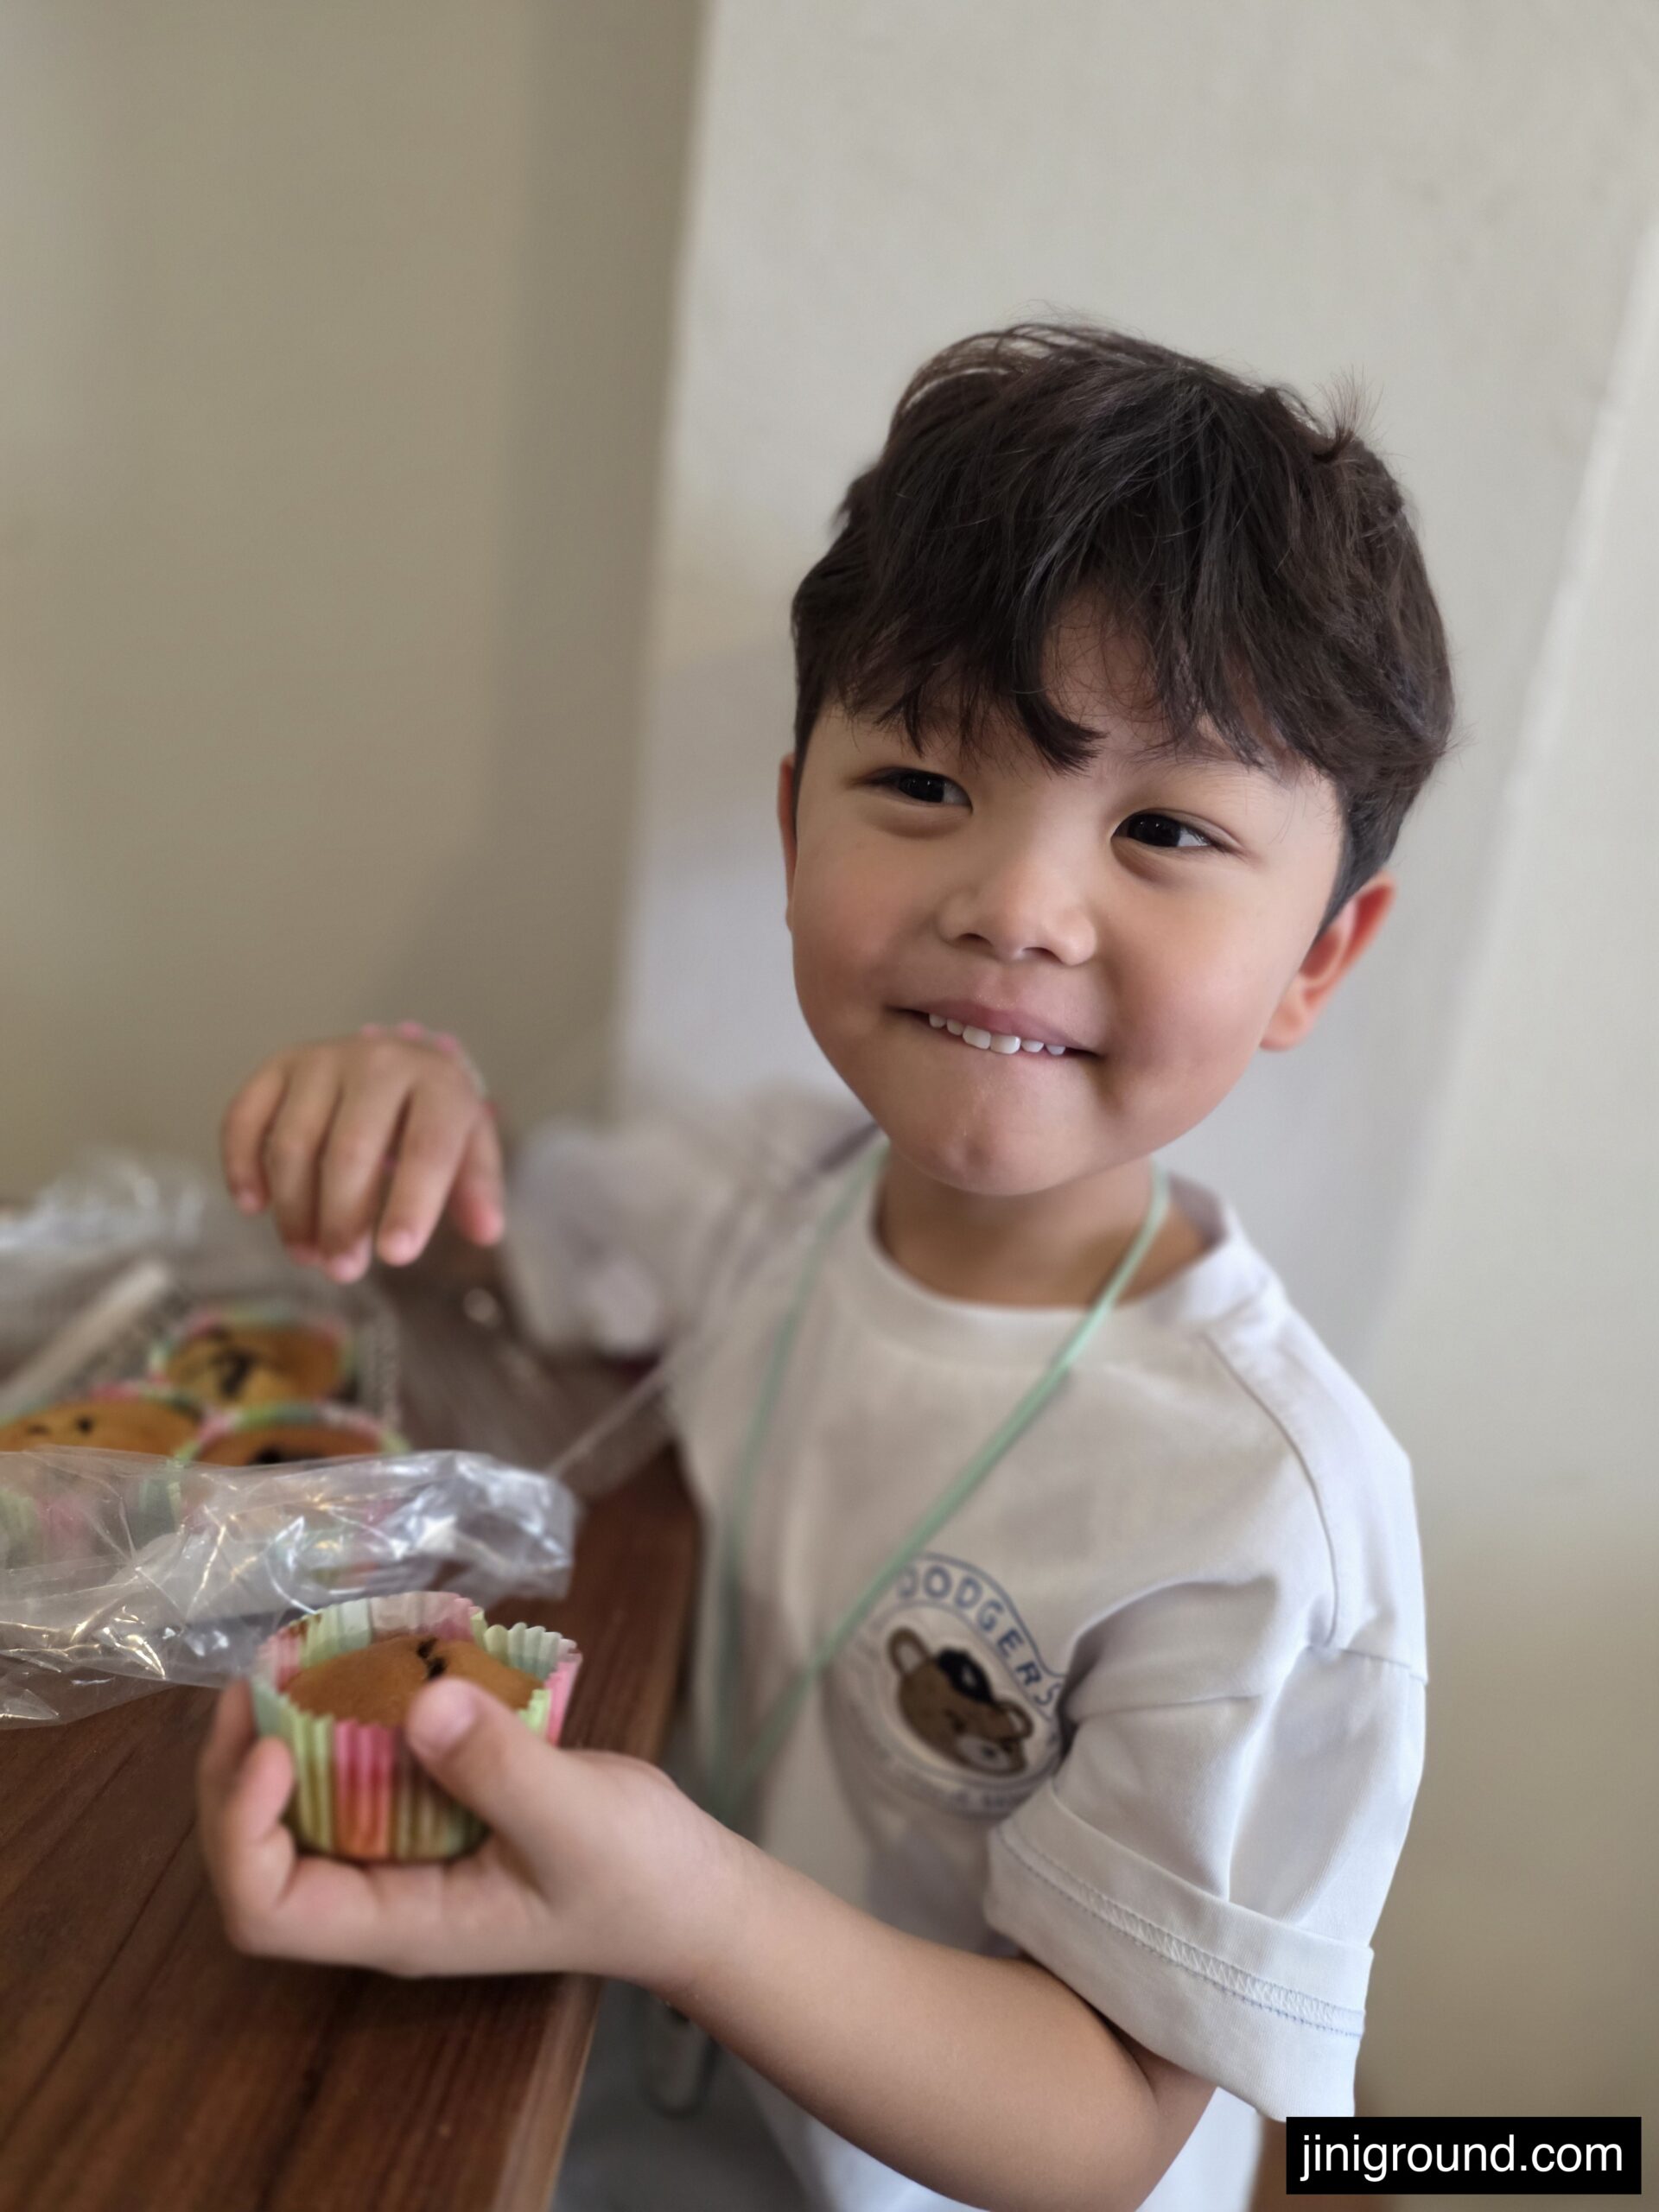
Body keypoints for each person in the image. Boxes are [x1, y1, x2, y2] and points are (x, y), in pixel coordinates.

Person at [196, 322, 1453, 2212]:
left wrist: (685, 1907)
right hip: (648, 2075)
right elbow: (493, 1227)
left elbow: (1115, 2118)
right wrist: (411, 1099)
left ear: (1317, 961)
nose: (1016, 905)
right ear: (795, 826)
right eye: (928, 785)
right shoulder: (757, 1194)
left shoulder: (1268, 1511)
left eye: (1166, 828)